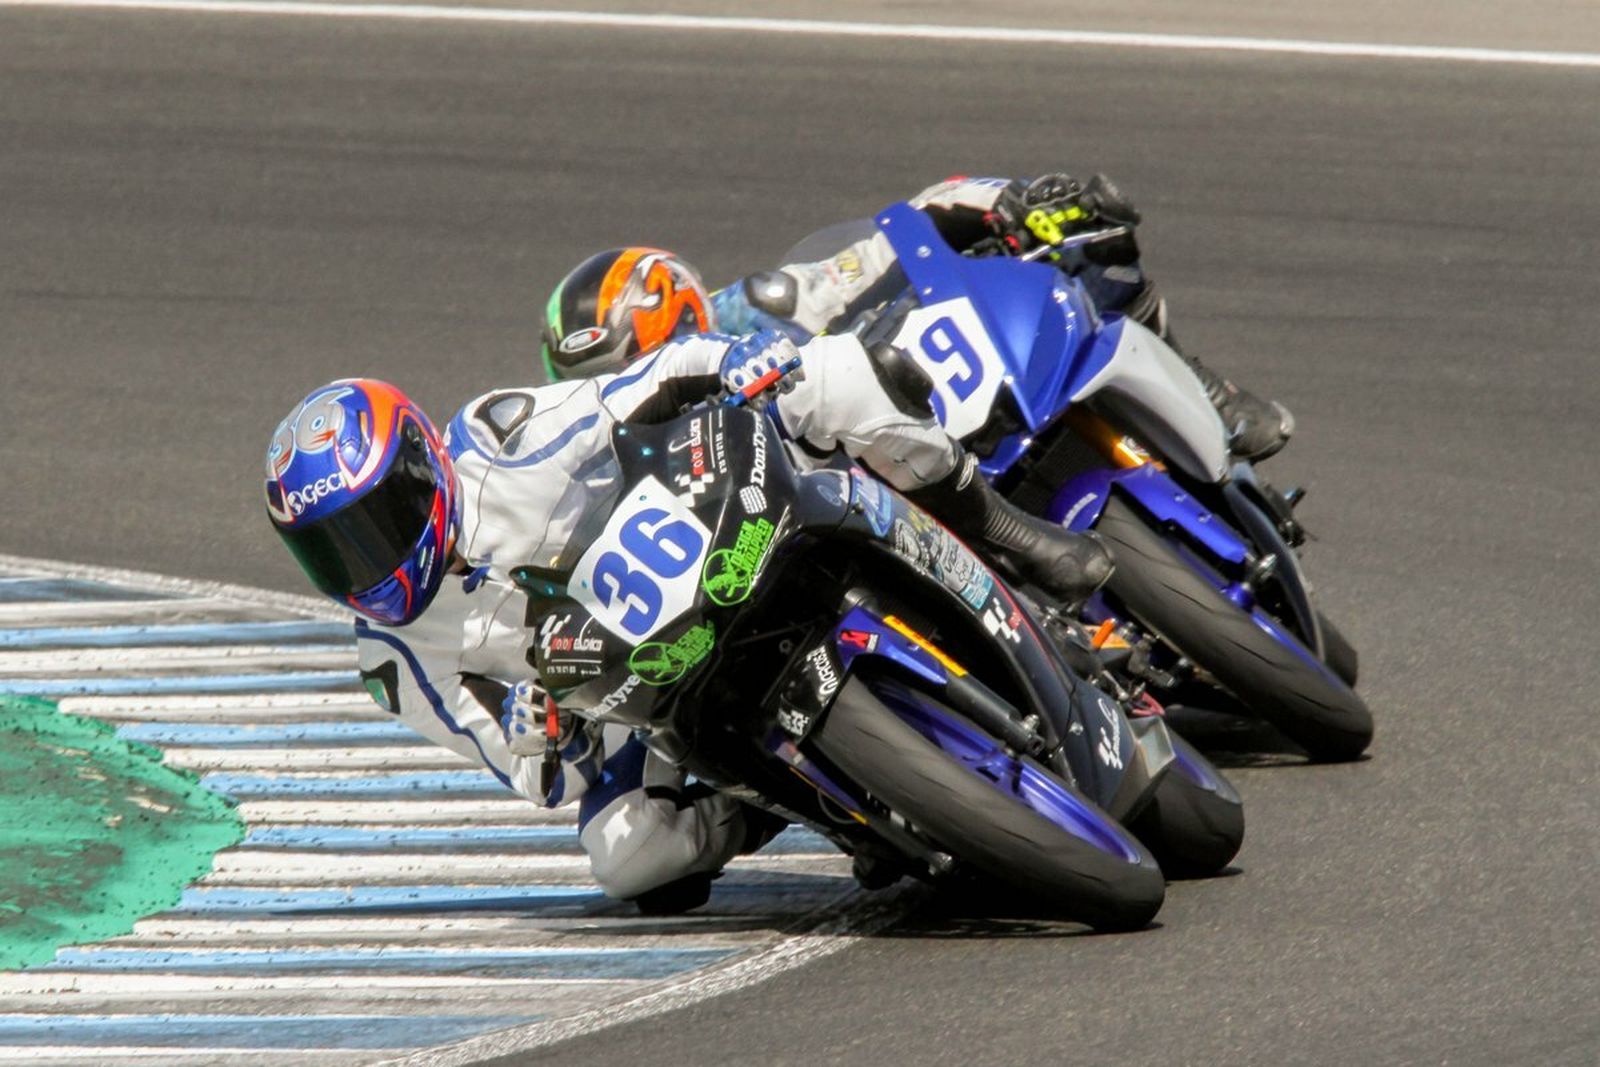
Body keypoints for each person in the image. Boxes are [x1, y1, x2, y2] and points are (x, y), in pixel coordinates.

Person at [263, 326, 1109, 912]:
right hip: (636, 694)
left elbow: (644, 383)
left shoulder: (500, 440)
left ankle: (1004, 530)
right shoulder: (394, 659)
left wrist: (738, 361)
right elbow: (544, 781)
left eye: (374, 525)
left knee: (840, 373)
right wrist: (544, 733)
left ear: (421, 464)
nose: (365, 563)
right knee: (629, 858)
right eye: (333, 551)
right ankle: (791, 807)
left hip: (708, 522)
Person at [539, 173, 1294, 462]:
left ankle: (1211, 396)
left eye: (638, 360)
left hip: (923, 392)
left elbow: (883, 242)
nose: (641, 383)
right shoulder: (634, 455)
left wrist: (1007, 205)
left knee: (1071, 258)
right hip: (854, 494)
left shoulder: (762, 305)